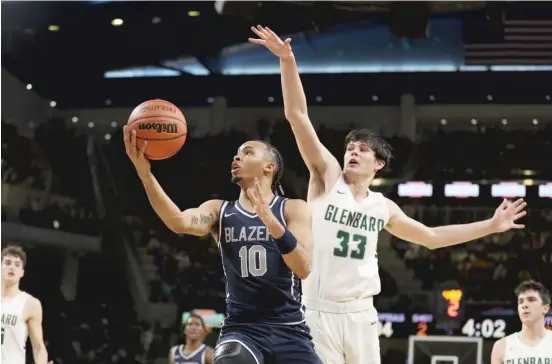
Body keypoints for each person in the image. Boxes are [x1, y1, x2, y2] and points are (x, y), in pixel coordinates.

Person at [249, 25, 529, 364]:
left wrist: (491, 224)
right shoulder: (326, 177)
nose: (352, 151)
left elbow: (432, 237)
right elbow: (297, 116)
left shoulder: (383, 206)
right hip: (317, 310)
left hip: (362, 314)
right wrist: (287, 61)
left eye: (362, 149)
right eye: (350, 147)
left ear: (378, 164)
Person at [123, 127, 322, 364]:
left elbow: (304, 268)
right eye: (236, 153)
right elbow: (178, 222)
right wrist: (146, 175)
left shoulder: (292, 208)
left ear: (270, 166)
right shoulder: (220, 211)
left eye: (247, 153)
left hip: (290, 329)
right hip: (242, 329)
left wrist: (272, 223)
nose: (237, 157)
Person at [1, 246, 52, 364]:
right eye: (7, 263)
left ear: (22, 272)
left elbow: (38, 346)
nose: (12, 267)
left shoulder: (30, 304)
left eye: (17, 265)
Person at [491, 280, 552, 363]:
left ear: (545, 308)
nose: (524, 305)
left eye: (531, 300)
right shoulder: (502, 347)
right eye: (521, 301)